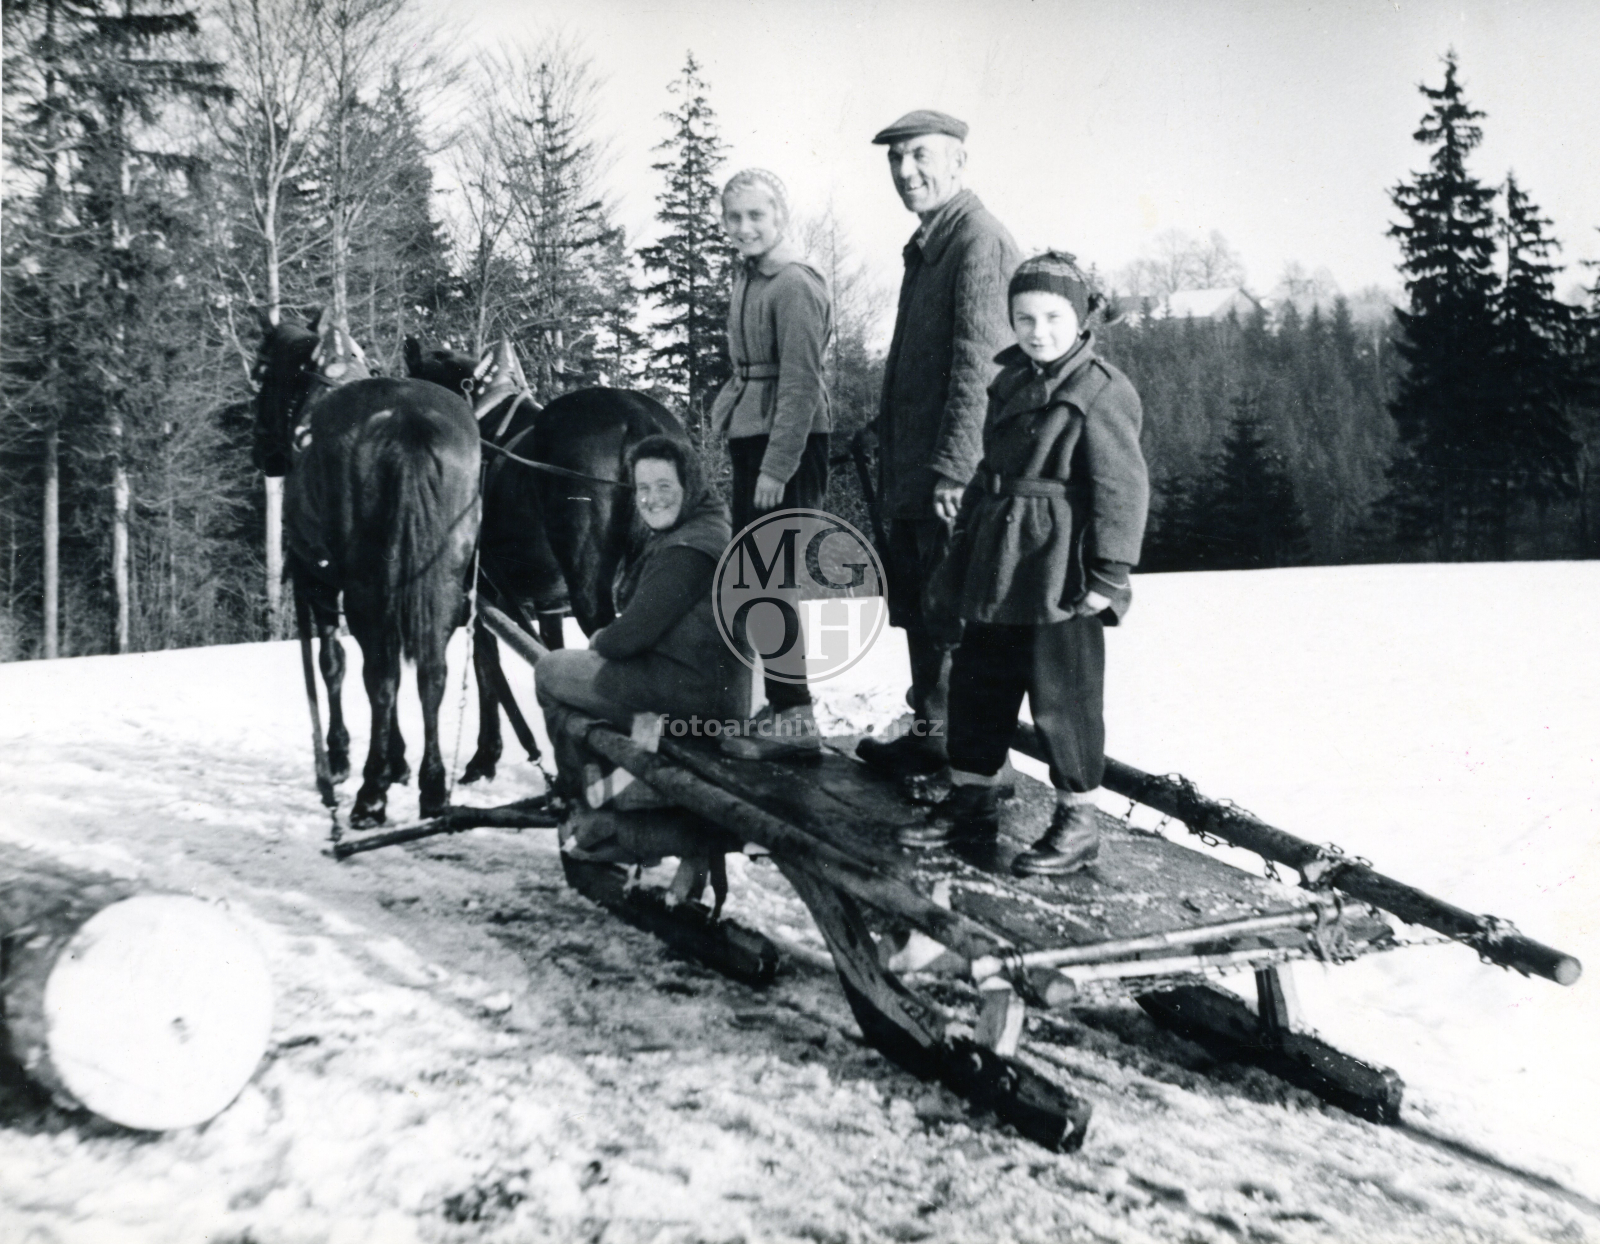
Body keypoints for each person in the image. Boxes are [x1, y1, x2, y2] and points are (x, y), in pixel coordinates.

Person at [906, 252, 1149, 877]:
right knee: (977, 683)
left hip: (1057, 572)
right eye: (1024, 318)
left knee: (1062, 698)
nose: (1037, 331)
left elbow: (1123, 489)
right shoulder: (1008, 382)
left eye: (1052, 316)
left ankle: (1077, 820)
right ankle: (974, 798)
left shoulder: (1100, 390)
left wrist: (1109, 575)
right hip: (996, 559)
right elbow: (989, 470)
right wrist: (962, 552)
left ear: (1081, 318)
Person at [854, 110, 1020, 784]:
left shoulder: (978, 241)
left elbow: (980, 364)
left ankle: (972, 761)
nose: (906, 172)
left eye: (920, 156)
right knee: (924, 607)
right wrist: (883, 428)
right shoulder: (930, 243)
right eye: (895, 160)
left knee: (954, 614)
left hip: (951, 478)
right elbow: (924, 366)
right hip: (915, 471)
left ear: (959, 163)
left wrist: (956, 467)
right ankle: (933, 734)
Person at [536, 435, 749, 791]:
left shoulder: (688, 549)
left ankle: (585, 792)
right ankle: (626, 782)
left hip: (696, 698)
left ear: (690, 485)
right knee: (610, 685)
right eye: (642, 488)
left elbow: (629, 638)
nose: (651, 499)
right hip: (707, 689)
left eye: (664, 486)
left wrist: (601, 638)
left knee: (549, 670)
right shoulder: (707, 526)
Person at [708, 167, 834, 761]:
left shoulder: (793, 285)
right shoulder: (749, 279)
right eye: (733, 216)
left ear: (781, 217)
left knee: (769, 581)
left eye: (756, 215)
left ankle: (795, 717)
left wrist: (776, 467)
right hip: (754, 437)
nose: (743, 227)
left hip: (789, 443)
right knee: (758, 580)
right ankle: (786, 707)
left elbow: (802, 386)